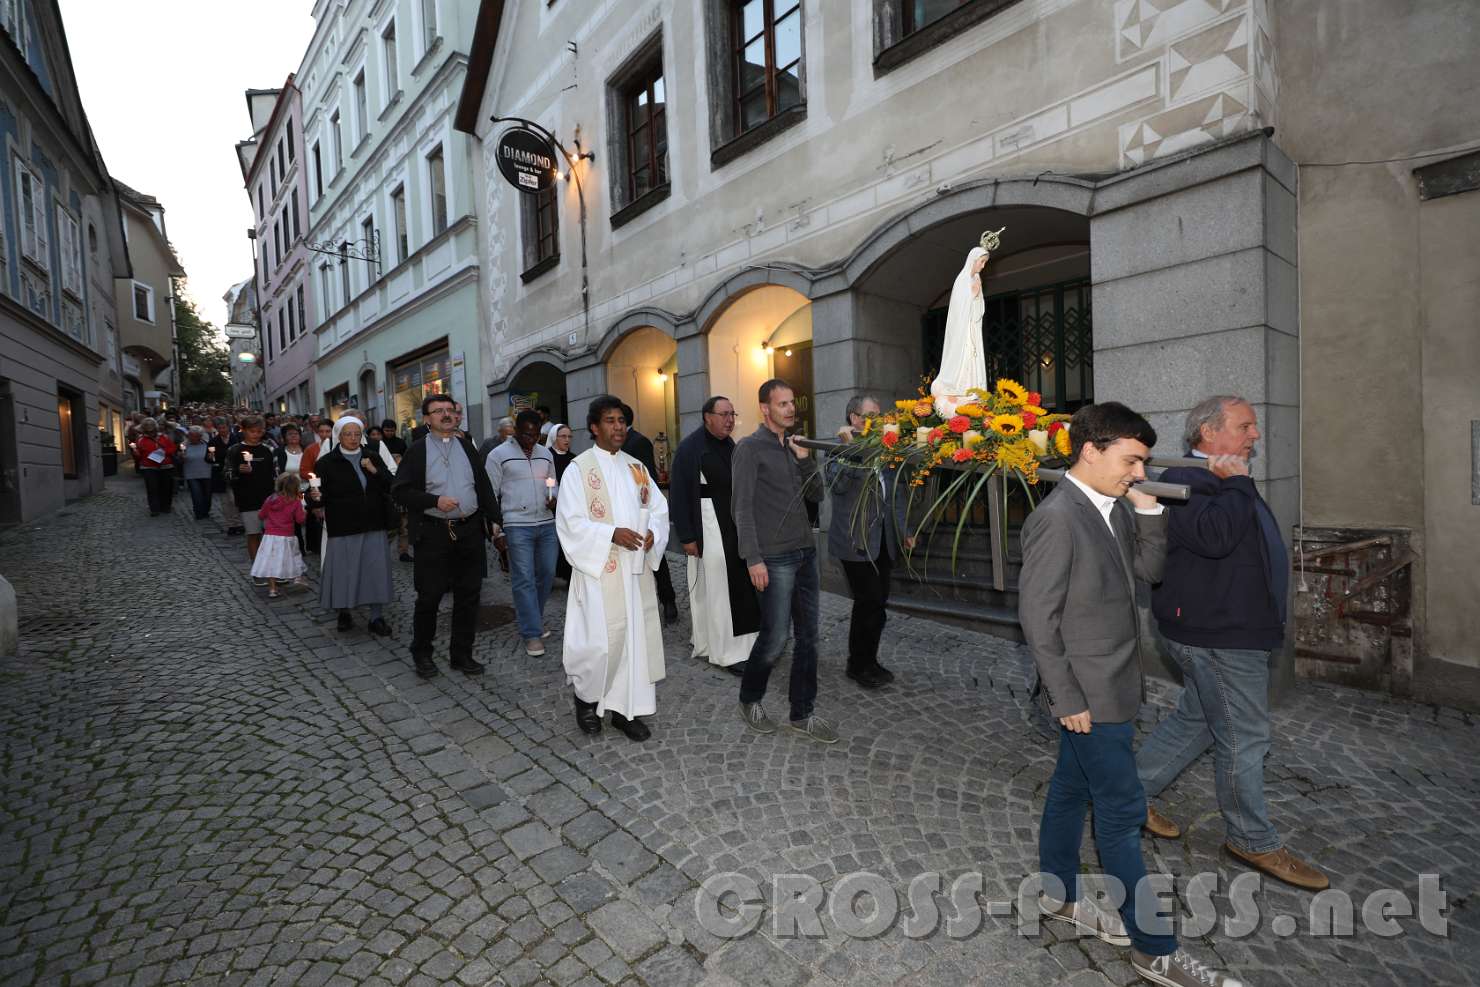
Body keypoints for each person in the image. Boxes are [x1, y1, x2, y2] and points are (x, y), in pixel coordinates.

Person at [1018, 402, 1245, 987]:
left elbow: (1147, 572)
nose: (1139, 471)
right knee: (1120, 815)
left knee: (1069, 792)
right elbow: (1038, 622)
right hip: (1089, 695)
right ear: (1091, 449)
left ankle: (1057, 895)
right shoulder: (1058, 518)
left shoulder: (1113, 506)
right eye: (1132, 460)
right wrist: (1067, 698)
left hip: (1115, 682)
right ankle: (1154, 948)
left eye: (1142, 461)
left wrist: (1146, 511)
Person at [1138, 396, 1328, 892]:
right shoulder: (1182, 480)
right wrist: (1239, 483)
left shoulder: (1218, 478)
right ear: (1208, 432)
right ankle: (1251, 838)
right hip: (1217, 636)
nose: (1255, 435)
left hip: (1230, 629)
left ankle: (1127, 795)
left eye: (1254, 427)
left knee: (1197, 719)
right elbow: (1216, 537)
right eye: (1245, 426)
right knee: (1245, 736)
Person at [557, 395, 669, 741]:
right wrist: (610, 534)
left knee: (634, 642)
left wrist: (653, 534)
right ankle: (587, 701)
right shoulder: (580, 469)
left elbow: (660, 510)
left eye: (622, 420)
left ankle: (625, 709)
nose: (618, 427)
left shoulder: (638, 468)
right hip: (599, 572)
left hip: (634, 573)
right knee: (599, 644)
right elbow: (569, 522)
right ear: (594, 427)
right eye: (610, 420)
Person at [732, 379, 831, 743]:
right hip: (773, 559)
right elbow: (740, 508)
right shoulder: (749, 448)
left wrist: (805, 461)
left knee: (810, 638)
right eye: (782, 404)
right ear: (765, 408)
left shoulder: (796, 446)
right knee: (775, 639)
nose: (790, 409)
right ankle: (749, 698)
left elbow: (818, 495)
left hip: (805, 553)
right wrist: (752, 559)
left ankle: (802, 713)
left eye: (792, 403)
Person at [393, 393, 502, 679]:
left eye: (450, 411)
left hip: (469, 531)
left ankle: (461, 654)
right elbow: (400, 491)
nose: (446, 415)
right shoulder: (417, 451)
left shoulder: (467, 447)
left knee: (469, 596)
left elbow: (483, 486)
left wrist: (496, 520)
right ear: (427, 419)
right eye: (438, 411)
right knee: (429, 598)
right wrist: (434, 501)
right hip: (433, 534)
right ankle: (422, 653)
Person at [669, 396, 760, 675]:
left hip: (732, 525)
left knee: (738, 587)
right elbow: (679, 494)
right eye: (724, 414)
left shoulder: (731, 444)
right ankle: (725, 652)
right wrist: (686, 536)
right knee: (720, 589)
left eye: (733, 414)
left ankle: (742, 646)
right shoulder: (689, 448)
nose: (730, 419)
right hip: (709, 526)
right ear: (707, 416)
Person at [827, 395, 912, 689]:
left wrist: (905, 531)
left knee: (877, 604)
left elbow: (896, 494)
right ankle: (858, 664)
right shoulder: (838, 448)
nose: (878, 421)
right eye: (871, 415)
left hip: (884, 541)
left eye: (880, 415)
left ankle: (869, 660)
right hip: (855, 542)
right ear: (854, 418)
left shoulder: (886, 449)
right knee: (869, 600)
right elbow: (837, 485)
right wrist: (852, 448)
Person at [310, 416, 395, 635]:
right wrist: (314, 497)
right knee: (344, 571)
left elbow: (391, 484)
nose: (353, 438)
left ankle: (376, 617)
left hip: (373, 523)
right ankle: (344, 613)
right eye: (348, 434)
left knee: (375, 570)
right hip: (344, 525)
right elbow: (316, 496)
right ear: (339, 436)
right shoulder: (326, 463)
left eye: (357, 434)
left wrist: (374, 471)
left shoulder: (372, 457)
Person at [486, 409, 559, 656]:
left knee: (547, 573)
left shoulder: (545, 453)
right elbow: (491, 494)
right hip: (517, 524)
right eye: (526, 434)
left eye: (536, 434)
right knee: (524, 578)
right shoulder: (498, 455)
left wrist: (554, 498)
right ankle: (531, 633)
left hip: (546, 522)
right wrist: (497, 531)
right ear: (516, 431)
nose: (531, 439)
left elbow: (553, 484)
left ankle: (533, 619)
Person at [619, 403, 679, 625]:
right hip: (622, 513)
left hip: (640, 509)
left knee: (656, 557)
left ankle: (668, 601)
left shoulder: (638, 442)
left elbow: (647, 478)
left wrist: (644, 508)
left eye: (617, 420)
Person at [225, 416, 278, 569]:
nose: (255, 434)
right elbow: (226, 475)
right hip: (247, 499)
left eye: (259, 431)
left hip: (269, 499)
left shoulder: (269, 449)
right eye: (252, 431)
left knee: (272, 535)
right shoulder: (234, 450)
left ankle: (274, 568)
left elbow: (276, 473)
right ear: (244, 431)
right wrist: (237, 470)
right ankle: (258, 567)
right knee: (253, 534)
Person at [252, 473, 308, 598]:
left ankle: (272, 589)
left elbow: (261, 515)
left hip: (270, 536)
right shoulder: (296, 502)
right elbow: (300, 520)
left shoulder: (270, 499)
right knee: (292, 557)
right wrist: (305, 512)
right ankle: (297, 578)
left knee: (271, 561)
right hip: (287, 535)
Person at [546, 424, 576, 583]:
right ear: (554, 438)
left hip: (570, 507)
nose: (567, 440)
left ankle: (569, 575)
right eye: (563, 436)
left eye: (569, 437)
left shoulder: (574, 459)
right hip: (551, 509)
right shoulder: (546, 457)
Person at [134, 418, 178, 517]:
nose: (149, 427)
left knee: (166, 488)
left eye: (151, 424)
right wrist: (136, 453)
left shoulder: (163, 437)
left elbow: (172, 448)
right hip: (149, 467)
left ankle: (166, 507)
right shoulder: (141, 439)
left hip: (165, 466)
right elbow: (139, 455)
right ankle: (154, 509)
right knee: (152, 488)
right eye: (147, 425)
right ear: (144, 427)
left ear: (155, 426)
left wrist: (163, 452)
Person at [178, 426, 215, 521]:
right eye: (191, 436)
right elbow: (179, 461)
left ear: (200, 436)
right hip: (191, 474)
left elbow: (213, 458)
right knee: (196, 494)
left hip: (206, 473)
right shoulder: (184, 445)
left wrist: (212, 457)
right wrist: (181, 457)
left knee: (207, 495)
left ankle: (205, 511)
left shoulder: (207, 444)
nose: (193, 438)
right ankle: (198, 513)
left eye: (196, 436)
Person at [208, 419, 234, 530]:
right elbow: (209, 458)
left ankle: (238, 522)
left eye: (224, 427)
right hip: (220, 473)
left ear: (228, 428)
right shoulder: (213, 441)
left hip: (235, 472)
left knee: (235, 499)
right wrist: (211, 457)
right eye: (220, 428)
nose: (222, 430)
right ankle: (231, 524)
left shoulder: (236, 438)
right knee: (225, 501)